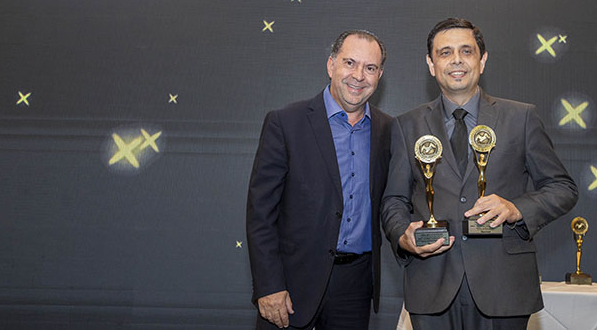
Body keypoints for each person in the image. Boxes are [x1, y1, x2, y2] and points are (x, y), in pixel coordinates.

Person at [381, 18, 578, 329]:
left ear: (482, 60)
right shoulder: (406, 125)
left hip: (504, 287)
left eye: (466, 51)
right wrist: (402, 235)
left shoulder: (521, 118)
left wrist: (516, 209)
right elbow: (394, 200)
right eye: (445, 53)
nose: (456, 60)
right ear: (431, 64)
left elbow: (563, 187)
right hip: (431, 286)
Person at [246, 30, 392, 329]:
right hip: (291, 283)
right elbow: (261, 213)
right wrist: (268, 285)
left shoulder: (389, 130)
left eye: (370, 67)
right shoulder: (285, 123)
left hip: (355, 286)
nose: (358, 76)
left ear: (379, 75)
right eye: (349, 63)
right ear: (331, 65)